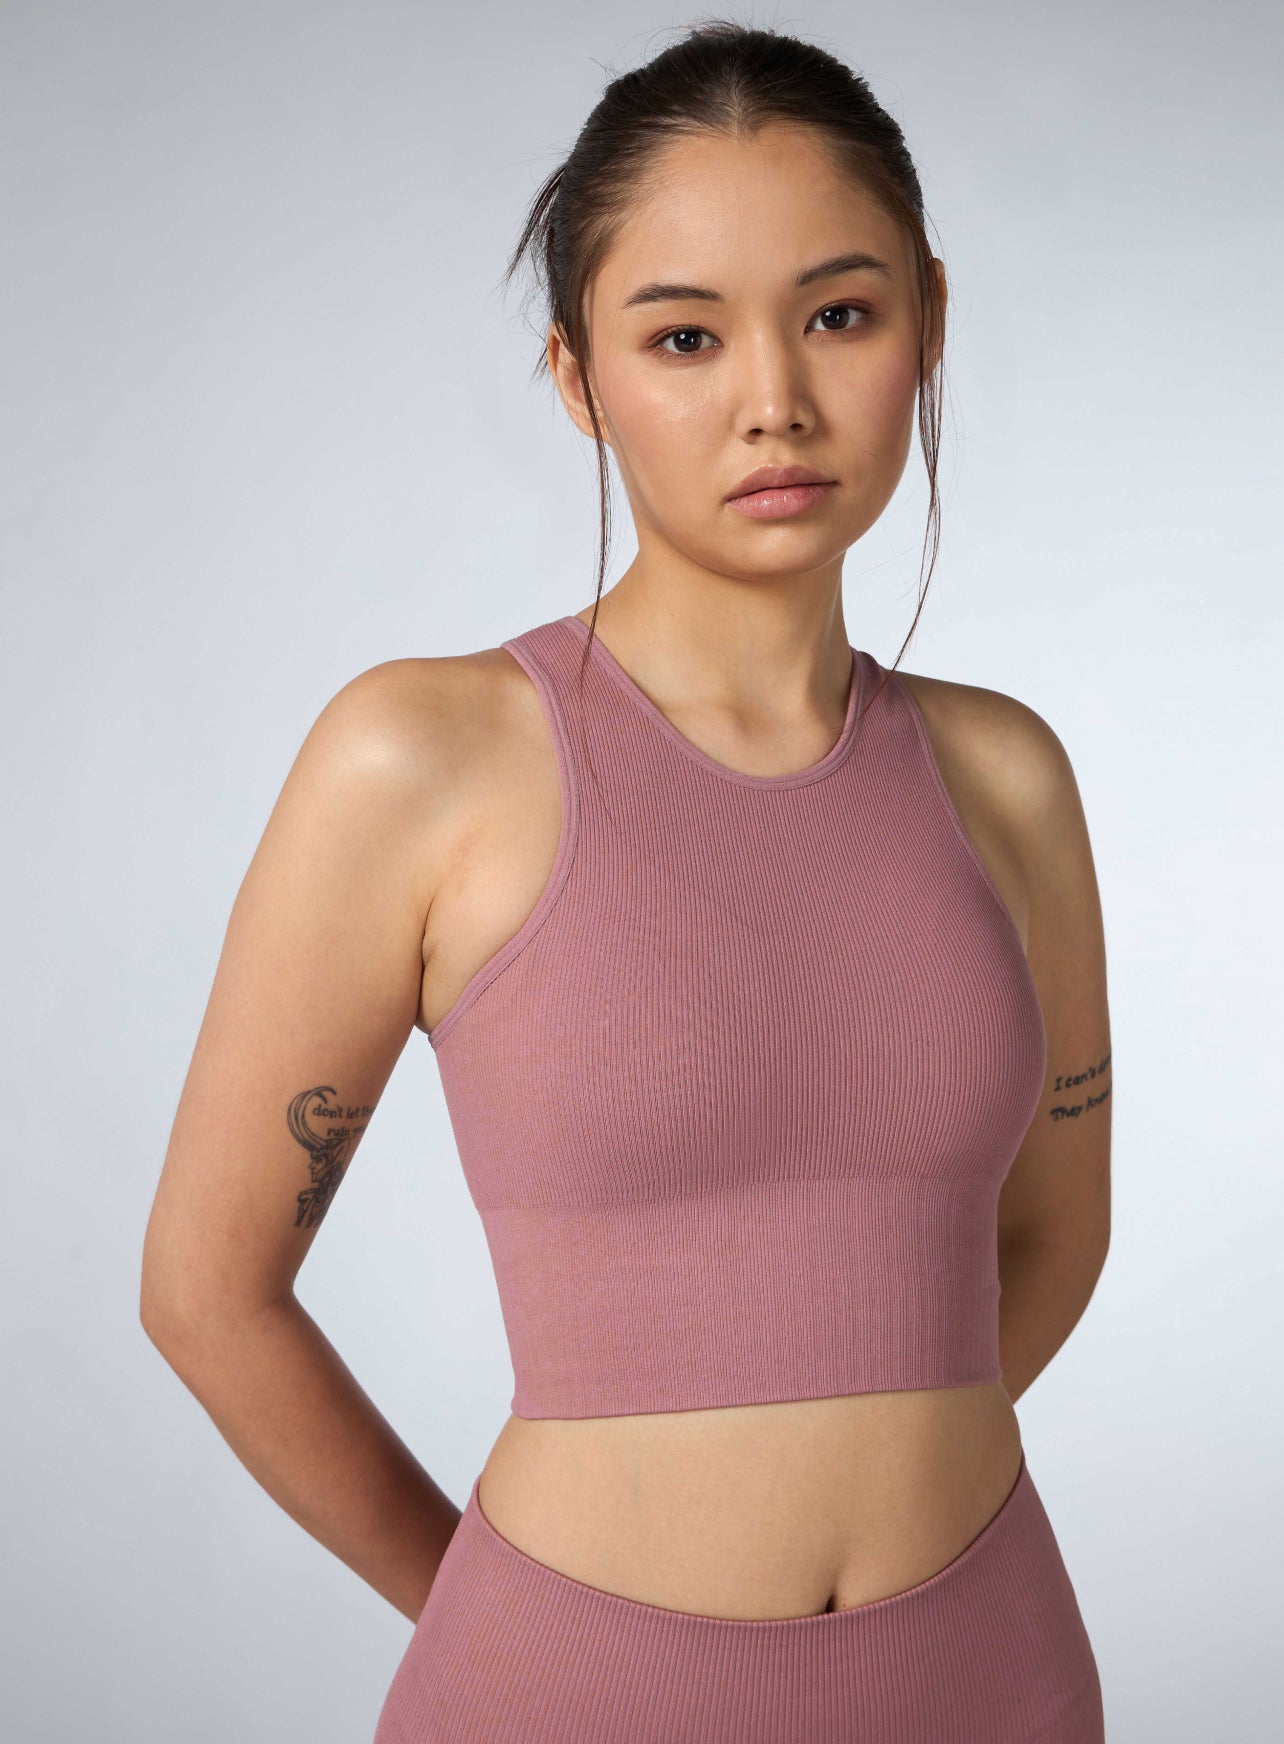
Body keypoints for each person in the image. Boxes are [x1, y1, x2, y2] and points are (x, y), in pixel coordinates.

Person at [140, 20, 1112, 1742]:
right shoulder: (422, 757)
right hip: (575, 1692)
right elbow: (208, 1297)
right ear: (580, 379)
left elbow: (1055, 1233)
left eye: (840, 315)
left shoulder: (1007, 774)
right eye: (684, 336)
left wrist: (878, 1473)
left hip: (989, 1674)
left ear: (929, 321)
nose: (774, 400)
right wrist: (508, 1609)